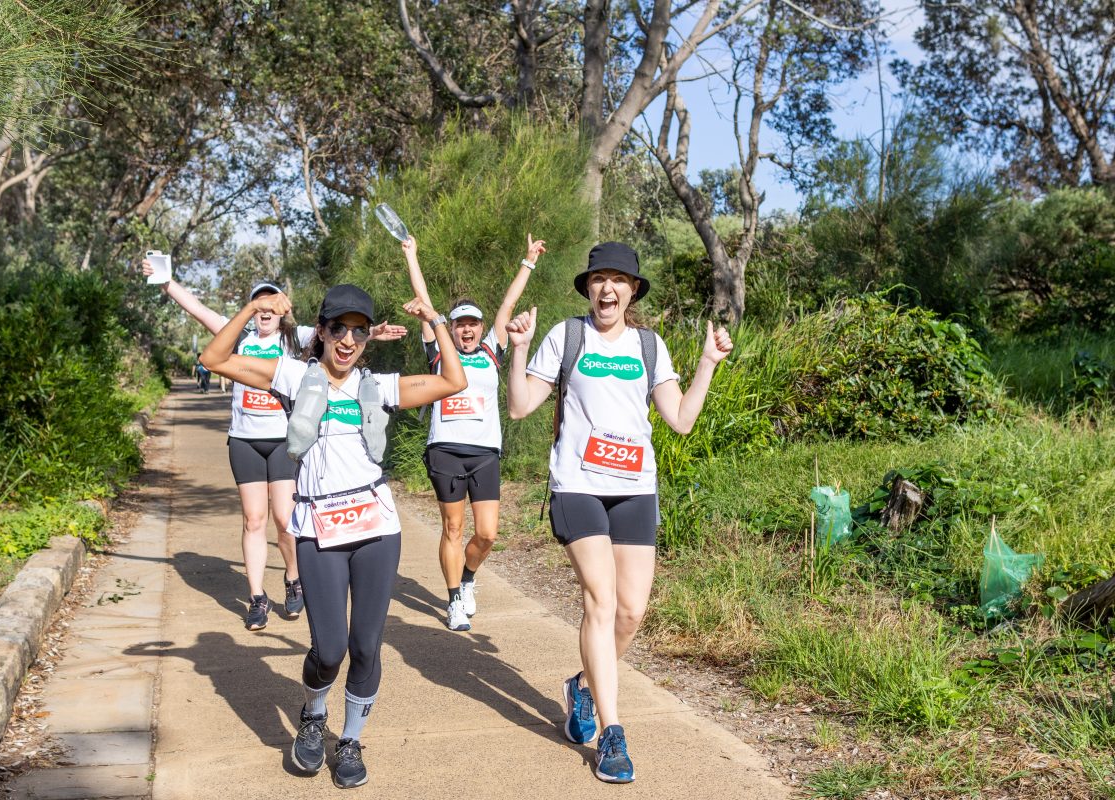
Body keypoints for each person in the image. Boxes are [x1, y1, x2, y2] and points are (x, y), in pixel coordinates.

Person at [200, 283, 465, 789]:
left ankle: (350, 740)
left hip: (376, 527)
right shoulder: (292, 375)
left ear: (367, 338)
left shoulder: (377, 386)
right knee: (330, 649)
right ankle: (314, 712)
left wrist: (434, 319)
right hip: (316, 525)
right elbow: (214, 357)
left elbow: (452, 380)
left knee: (366, 645)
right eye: (338, 328)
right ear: (319, 331)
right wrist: (254, 307)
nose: (348, 339)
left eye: (358, 331)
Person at [505, 242, 733, 784]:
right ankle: (611, 733)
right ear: (588, 287)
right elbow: (518, 407)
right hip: (578, 485)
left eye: (619, 280)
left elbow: (679, 419)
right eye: (599, 279)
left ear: (632, 291)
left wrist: (707, 363)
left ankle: (581, 688)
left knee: (631, 611)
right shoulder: (567, 336)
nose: (608, 288)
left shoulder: (649, 345)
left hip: (634, 487)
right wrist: (518, 349)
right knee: (601, 601)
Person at [142, 261, 404, 630]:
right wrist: (166, 282)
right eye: (258, 304)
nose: (264, 311)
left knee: (284, 520)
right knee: (253, 519)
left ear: (280, 311)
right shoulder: (241, 336)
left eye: (270, 305)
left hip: (283, 441)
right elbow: (198, 310)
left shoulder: (292, 339)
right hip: (245, 441)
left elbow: (336, 337)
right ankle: (257, 598)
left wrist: (371, 332)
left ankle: (294, 577)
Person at [400, 234, 544, 631]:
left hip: (484, 453)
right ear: (453, 327)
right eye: (459, 323)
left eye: (472, 324)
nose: (466, 330)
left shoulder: (490, 354)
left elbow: (509, 305)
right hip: (445, 449)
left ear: (481, 329)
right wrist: (412, 255)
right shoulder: (438, 350)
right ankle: (452, 601)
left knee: (487, 533)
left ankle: (467, 579)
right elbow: (424, 300)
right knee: (453, 527)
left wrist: (528, 261)